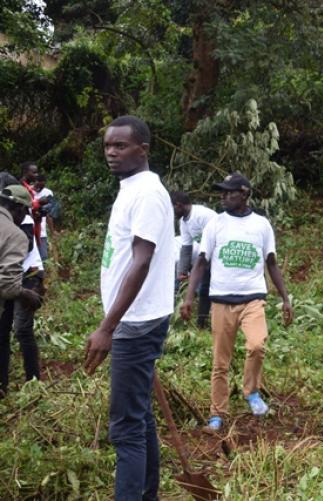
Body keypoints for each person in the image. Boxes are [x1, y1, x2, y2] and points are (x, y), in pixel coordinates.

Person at [83, 115, 174, 501]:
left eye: (120, 145)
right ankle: (148, 495)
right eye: (107, 145)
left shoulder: (147, 194)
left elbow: (141, 260)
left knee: (124, 428)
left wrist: (108, 327)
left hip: (135, 324)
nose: (111, 152)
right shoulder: (130, 188)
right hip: (134, 320)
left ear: (144, 149)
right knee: (140, 416)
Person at [180, 172, 293, 431]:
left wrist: (286, 299)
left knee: (256, 345)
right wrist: (189, 298)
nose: (223, 196)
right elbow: (201, 262)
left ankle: (251, 391)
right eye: (222, 192)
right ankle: (217, 414)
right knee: (221, 362)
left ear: (244, 194)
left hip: (253, 298)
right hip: (221, 301)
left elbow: (272, 263)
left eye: (229, 192)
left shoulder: (261, 225)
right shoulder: (215, 224)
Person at [0, 185, 43, 397]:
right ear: (16, 209)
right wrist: (26, 293)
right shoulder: (14, 234)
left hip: (29, 274)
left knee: (13, 330)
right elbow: (7, 285)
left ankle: (30, 380)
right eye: (24, 211)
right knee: (13, 331)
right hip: (15, 282)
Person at [171, 191, 217, 328]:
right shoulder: (184, 222)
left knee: (216, 290)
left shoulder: (202, 215)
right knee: (204, 289)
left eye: (171, 208)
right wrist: (182, 272)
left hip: (219, 255)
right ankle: (201, 324)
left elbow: (218, 237)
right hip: (206, 257)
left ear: (178, 205)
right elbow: (186, 248)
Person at [33, 174, 56, 261]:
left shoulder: (48, 193)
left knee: (43, 257)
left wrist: (52, 231)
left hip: (41, 231)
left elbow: (49, 214)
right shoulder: (29, 191)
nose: (39, 188)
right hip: (29, 230)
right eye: (37, 185)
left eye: (42, 186)